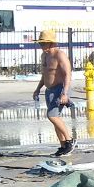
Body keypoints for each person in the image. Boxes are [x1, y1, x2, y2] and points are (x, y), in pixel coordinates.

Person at [32, 29, 75, 157]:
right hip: (49, 90)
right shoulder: (44, 55)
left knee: (52, 116)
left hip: (60, 89)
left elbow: (68, 74)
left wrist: (65, 93)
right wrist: (38, 88)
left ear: (51, 43)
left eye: (43, 43)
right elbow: (45, 74)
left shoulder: (59, 55)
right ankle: (63, 146)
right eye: (40, 43)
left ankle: (69, 140)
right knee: (55, 118)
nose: (41, 46)